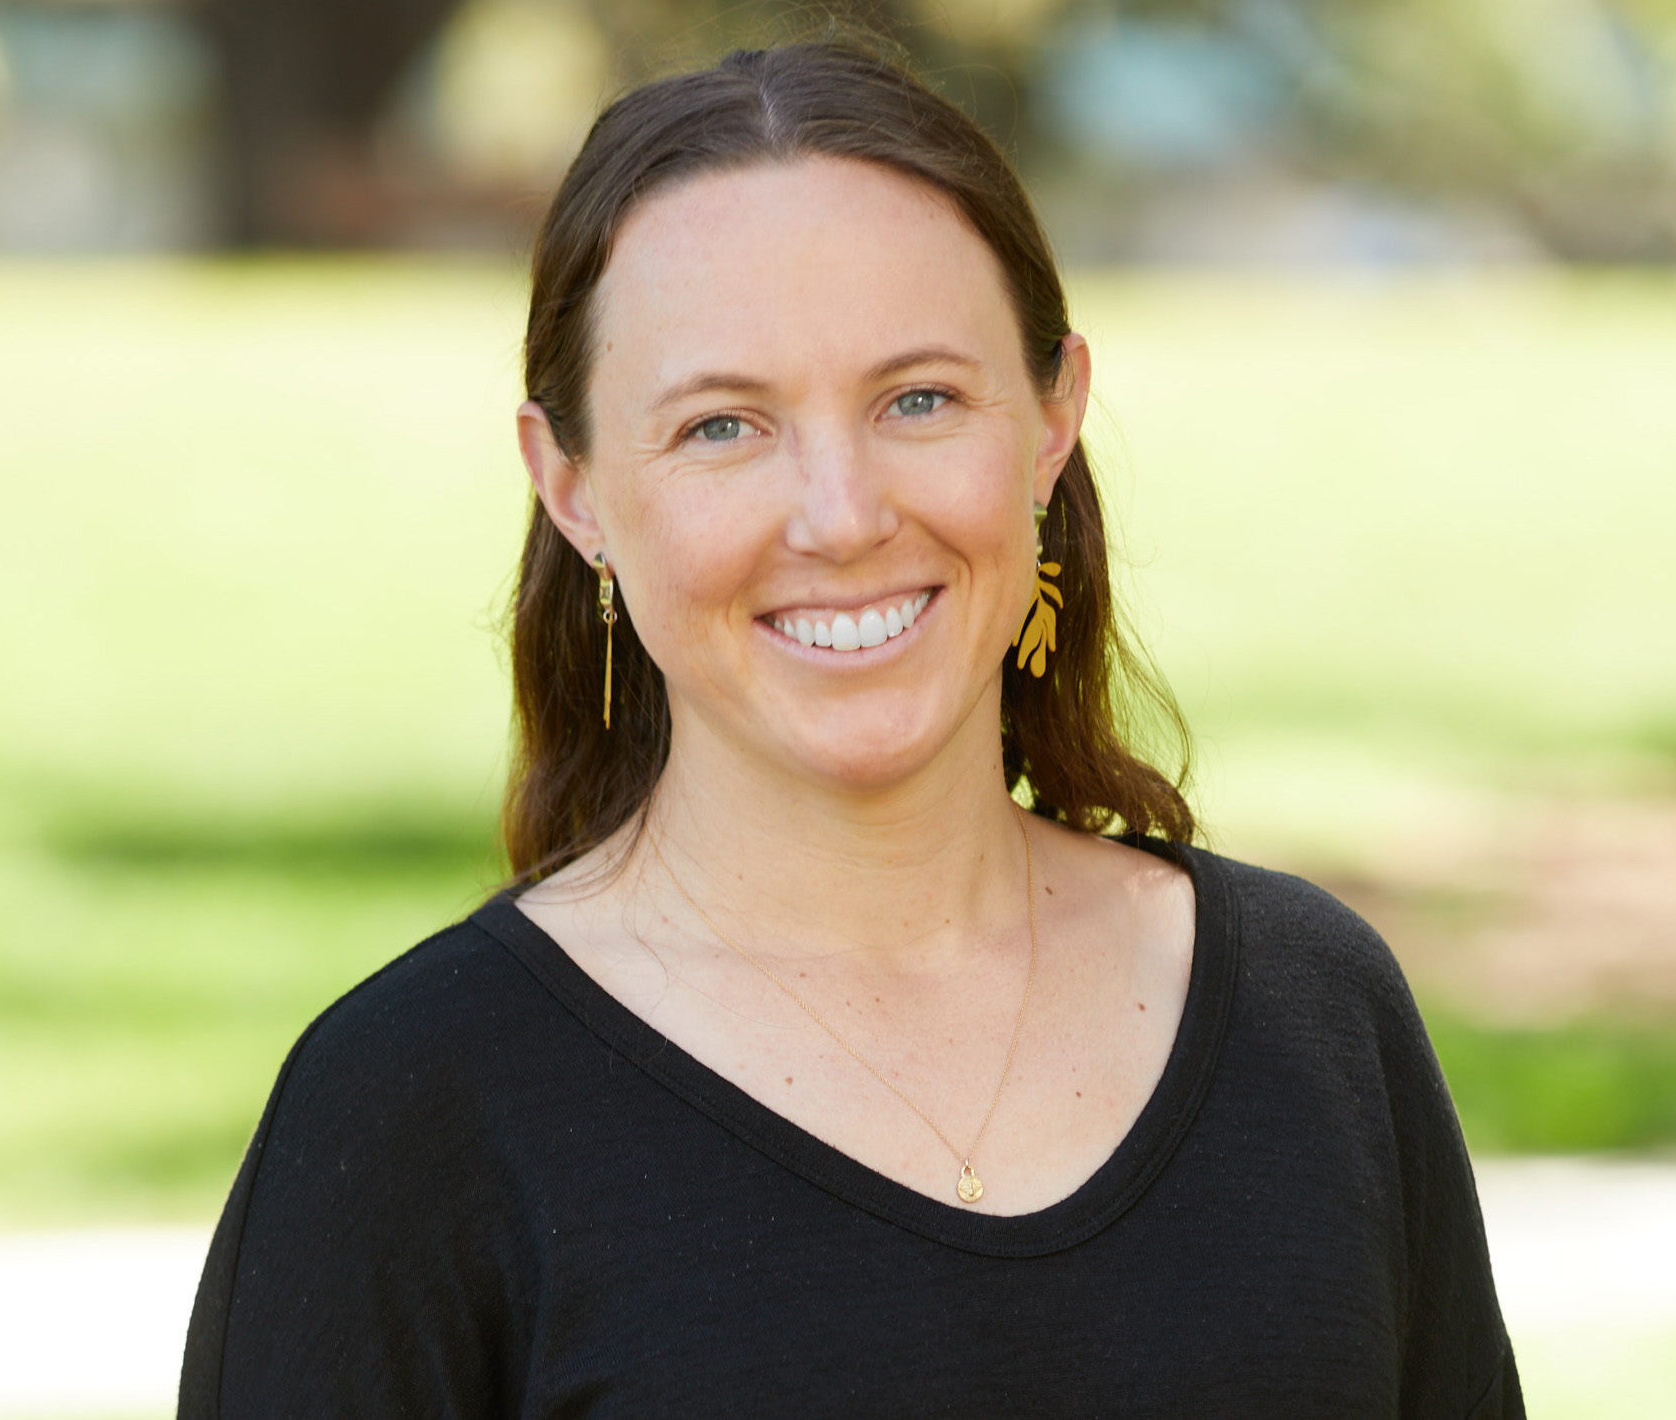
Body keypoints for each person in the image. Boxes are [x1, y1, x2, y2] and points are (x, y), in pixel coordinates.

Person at [178, 40, 1522, 1418]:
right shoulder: (411, 1111)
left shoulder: (1314, 1020)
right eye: (721, 427)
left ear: (1051, 418)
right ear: (570, 487)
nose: (840, 514)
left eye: (918, 400)